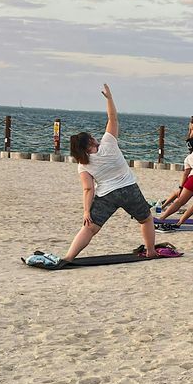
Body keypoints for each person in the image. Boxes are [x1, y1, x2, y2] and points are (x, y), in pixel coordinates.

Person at [63, 84, 157, 262]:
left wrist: (86, 212)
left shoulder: (83, 164)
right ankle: (151, 251)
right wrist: (109, 98)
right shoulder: (108, 143)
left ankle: (69, 256)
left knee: (90, 228)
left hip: (107, 195)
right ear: (91, 140)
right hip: (129, 189)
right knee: (146, 219)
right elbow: (112, 117)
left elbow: (88, 190)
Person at [155, 134, 193, 223]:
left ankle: (163, 217)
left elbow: (186, 173)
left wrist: (181, 187)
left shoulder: (188, 158)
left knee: (180, 202)